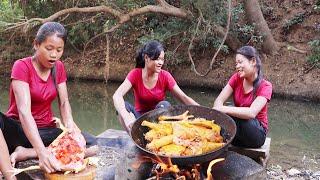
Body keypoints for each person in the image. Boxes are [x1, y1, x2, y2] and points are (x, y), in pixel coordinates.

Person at [0, 22, 96, 174]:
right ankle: (10, 175)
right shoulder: (22, 66)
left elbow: (64, 103)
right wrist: (42, 152)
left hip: (46, 131)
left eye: (59, 50)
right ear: (36, 45)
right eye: (49, 48)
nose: (54, 55)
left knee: (92, 145)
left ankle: (26, 152)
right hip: (19, 130)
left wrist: (70, 124)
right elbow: (24, 112)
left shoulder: (59, 67)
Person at [113, 40, 199, 131]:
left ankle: (158, 136)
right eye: (157, 59)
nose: (160, 63)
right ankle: (134, 137)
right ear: (146, 58)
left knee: (165, 105)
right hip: (138, 119)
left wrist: (205, 112)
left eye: (162, 59)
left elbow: (183, 97)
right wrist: (127, 117)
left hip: (157, 121)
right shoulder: (135, 74)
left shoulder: (165, 76)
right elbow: (117, 95)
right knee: (123, 106)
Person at [213, 46, 272, 148]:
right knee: (227, 114)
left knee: (232, 112)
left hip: (255, 136)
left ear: (253, 61)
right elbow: (219, 101)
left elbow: (251, 113)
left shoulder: (265, 86)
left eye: (240, 62)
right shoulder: (236, 78)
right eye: (236, 63)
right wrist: (219, 111)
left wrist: (223, 109)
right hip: (237, 135)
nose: (237, 66)